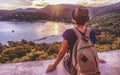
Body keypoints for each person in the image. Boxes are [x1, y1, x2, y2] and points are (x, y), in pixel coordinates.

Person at [46, 5, 105, 73]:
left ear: (74, 19)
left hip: (75, 67)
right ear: (86, 20)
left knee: (66, 55)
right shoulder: (91, 31)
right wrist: (96, 59)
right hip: (90, 62)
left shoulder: (69, 32)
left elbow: (62, 52)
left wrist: (54, 65)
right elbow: (92, 48)